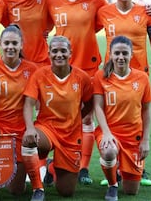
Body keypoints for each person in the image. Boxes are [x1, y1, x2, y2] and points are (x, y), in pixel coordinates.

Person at [97, 0, 151, 186]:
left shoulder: (145, 12)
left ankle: (139, 167)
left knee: (137, 119)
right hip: (111, 76)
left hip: (139, 75)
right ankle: (112, 168)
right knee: (112, 118)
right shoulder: (104, 12)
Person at [47, 0, 108, 185]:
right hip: (62, 69)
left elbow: (107, 20)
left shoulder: (95, 1)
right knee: (59, 116)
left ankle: (83, 167)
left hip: (89, 67)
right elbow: (44, 26)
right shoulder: (53, 2)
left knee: (87, 117)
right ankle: (55, 164)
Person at [22, 36, 93, 200]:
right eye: (55, 51)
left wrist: (79, 118)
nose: (59, 54)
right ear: (49, 53)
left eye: (63, 51)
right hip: (47, 129)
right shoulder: (39, 75)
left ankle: (52, 166)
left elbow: (90, 103)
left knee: (66, 192)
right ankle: (37, 189)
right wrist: (30, 128)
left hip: (70, 136)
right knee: (29, 141)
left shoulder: (82, 78)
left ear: (70, 53)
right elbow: (28, 104)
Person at [0, 24, 38, 201]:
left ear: (21, 45)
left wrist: (31, 127)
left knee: (16, 190)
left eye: (14, 43)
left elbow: (32, 103)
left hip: (19, 128)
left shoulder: (31, 69)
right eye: (7, 43)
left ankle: (40, 167)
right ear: (0, 43)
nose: (10, 47)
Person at [93, 35, 151, 201]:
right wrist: (105, 132)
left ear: (131, 54)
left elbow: (147, 110)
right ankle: (112, 185)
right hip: (110, 132)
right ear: (111, 55)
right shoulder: (101, 76)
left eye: (125, 53)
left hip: (134, 136)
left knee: (131, 191)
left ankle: (121, 169)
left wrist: (145, 140)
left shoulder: (142, 78)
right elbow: (97, 106)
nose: (121, 57)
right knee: (109, 151)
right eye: (117, 53)